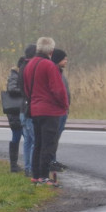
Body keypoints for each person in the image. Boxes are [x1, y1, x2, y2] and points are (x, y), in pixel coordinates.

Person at [22, 37, 69, 186]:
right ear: (51, 50)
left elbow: (26, 88)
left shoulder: (29, 65)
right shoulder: (49, 65)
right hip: (50, 110)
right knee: (49, 145)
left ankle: (36, 176)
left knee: (38, 144)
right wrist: (64, 105)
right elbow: (58, 89)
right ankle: (44, 176)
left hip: (35, 109)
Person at [18, 44, 36, 176]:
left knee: (28, 141)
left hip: (23, 108)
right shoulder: (30, 68)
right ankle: (33, 168)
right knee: (35, 141)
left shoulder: (22, 67)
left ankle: (28, 167)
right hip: (29, 109)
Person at [50, 49, 70, 172]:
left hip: (64, 110)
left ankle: (54, 160)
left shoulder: (61, 73)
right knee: (52, 137)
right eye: (64, 59)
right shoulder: (54, 73)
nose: (66, 61)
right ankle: (51, 161)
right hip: (57, 111)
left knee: (56, 138)